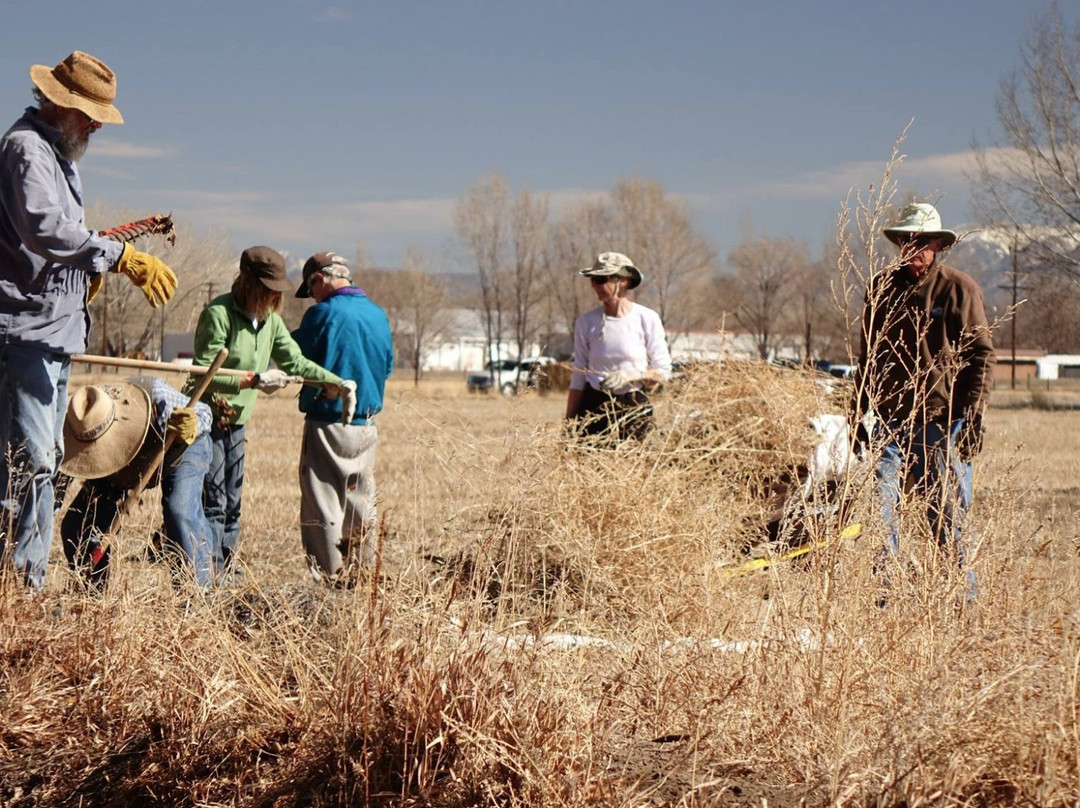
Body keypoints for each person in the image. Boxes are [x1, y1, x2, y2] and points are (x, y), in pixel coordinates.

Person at [0, 51, 177, 589]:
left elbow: (57, 245)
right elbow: (45, 230)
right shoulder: (28, 150)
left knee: (46, 460)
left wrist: (84, 275)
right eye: (90, 114)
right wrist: (117, 256)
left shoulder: (59, 155)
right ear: (59, 103)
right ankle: (18, 588)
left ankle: (25, 581)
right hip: (24, 333)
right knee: (29, 463)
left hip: (52, 332)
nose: (96, 126)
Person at [851, 203, 996, 605]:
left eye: (920, 241)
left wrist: (972, 416)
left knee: (947, 516)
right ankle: (884, 600)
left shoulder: (958, 288)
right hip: (888, 421)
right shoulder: (881, 288)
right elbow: (868, 356)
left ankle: (961, 602)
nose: (911, 248)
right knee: (880, 512)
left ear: (937, 245)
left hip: (939, 420)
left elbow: (981, 356)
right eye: (905, 240)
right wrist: (857, 412)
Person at [190, 246, 356, 581]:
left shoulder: (271, 322)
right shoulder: (218, 314)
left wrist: (336, 382)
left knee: (232, 501)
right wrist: (253, 381)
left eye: (277, 290)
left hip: (237, 422)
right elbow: (202, 374)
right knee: (214, 502)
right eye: (268, 289)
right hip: (209, 420)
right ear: (248, 284)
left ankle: (227, 567)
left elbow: (295, 362)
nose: (274, 297)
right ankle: (208, 574)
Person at [291, 251, 394, 584]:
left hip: (327, 421)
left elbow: (293, 356)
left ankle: (331, 579)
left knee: (323, 503)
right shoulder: (378, 314)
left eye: (311, 289)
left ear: (319, 279)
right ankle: (363, 575)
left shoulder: (322, 314)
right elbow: (387, 366)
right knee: (361, 503)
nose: (313, 297)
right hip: (366, 425)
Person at [59, 378, 213, 589]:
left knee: (179, 510)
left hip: (182, 448)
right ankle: (91, 592)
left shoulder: (154, 397)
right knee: (76, 525)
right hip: (119, 467)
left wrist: (191, 425)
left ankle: (197, 592)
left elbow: (205, 412)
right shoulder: (77, 418)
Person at [565, 251, 672, 440]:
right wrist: (568, 423)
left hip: (633, 407)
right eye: (593, 280)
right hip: (594, 407)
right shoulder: (586, 322)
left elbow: (663, 371)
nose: (595, 286)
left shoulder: (647, 319)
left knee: (634, 457)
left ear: (622, 281)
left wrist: (634, 375)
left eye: (601, 279)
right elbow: (579, 375)